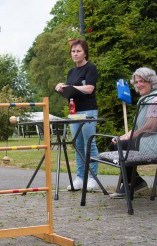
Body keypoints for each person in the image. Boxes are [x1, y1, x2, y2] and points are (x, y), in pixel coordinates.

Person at [109, 67, 157, 198]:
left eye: (142, 81)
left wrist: (127, 137)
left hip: (156, 143)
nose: (138, 85)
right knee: (116, 143)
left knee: (120, 145)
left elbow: (151, 127)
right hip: (146, 139)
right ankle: (134, 181)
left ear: (152, 82)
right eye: (136, 82)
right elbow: (138, 127)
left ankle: (132, 183)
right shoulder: (147, 98)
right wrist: (123, 136)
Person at [55, 39, 99, 191]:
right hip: (74, 112)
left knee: (89, 143)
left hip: (88, 111)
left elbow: (89, 89)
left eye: (78, 51)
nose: (75, 54)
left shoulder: (90, 68)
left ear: (85, 53)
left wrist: (70, 86)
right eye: (73, 51)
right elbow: (71, 93)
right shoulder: (71, 71)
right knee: (78, 145)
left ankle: (92, 178)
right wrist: (62, 89)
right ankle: (80, 178)